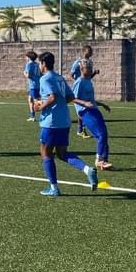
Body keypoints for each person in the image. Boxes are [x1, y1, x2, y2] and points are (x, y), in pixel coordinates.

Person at [33, 51, 99, 196]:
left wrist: (40, 106)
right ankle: (87, 169)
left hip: (51, 122)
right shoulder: (59, 78)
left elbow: (53, 97)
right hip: (64, 121)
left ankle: (54, 188)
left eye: (39, 63)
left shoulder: (45, 78)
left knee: (45, 153)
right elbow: (70, 97)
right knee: (62, 154)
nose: (39, 66)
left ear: (43, 64)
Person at [72, 59, 113, 170]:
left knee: (104, 134)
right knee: (101, 134)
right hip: (85, 112)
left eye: (91, 68)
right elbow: (72, 98)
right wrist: (84, 104)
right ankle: (99, 161)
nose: (90, 70)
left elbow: (90, 100)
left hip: (94, 110)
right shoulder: (79, 82)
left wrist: (102, 104)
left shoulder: (88, 81)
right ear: (81, 69)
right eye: (88, 68)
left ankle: (104, 160)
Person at [69, 45, 98, 137]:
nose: (91, 53)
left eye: (91, 51)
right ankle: (82, 129)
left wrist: (94, 73)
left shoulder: (90, 62)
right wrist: (78, 81)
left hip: (87, 86)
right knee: (82, 109)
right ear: (84, 51)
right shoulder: (78, 62)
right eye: (89, 51)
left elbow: (89, 76)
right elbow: (71, 74)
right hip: (80, 87)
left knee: (85, 109)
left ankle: (80, 129)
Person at [23, 51, 41, 121]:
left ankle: (46, 113)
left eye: (26, 57)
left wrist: (24, 73)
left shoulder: (29, 64)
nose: (25, 58)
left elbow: (29, 75)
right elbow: (41, 74)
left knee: (37, 101)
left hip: (33, 85)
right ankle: (32, 116)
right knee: (30, 99)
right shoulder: (37, 64)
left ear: (29, 57)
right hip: (37, 84)